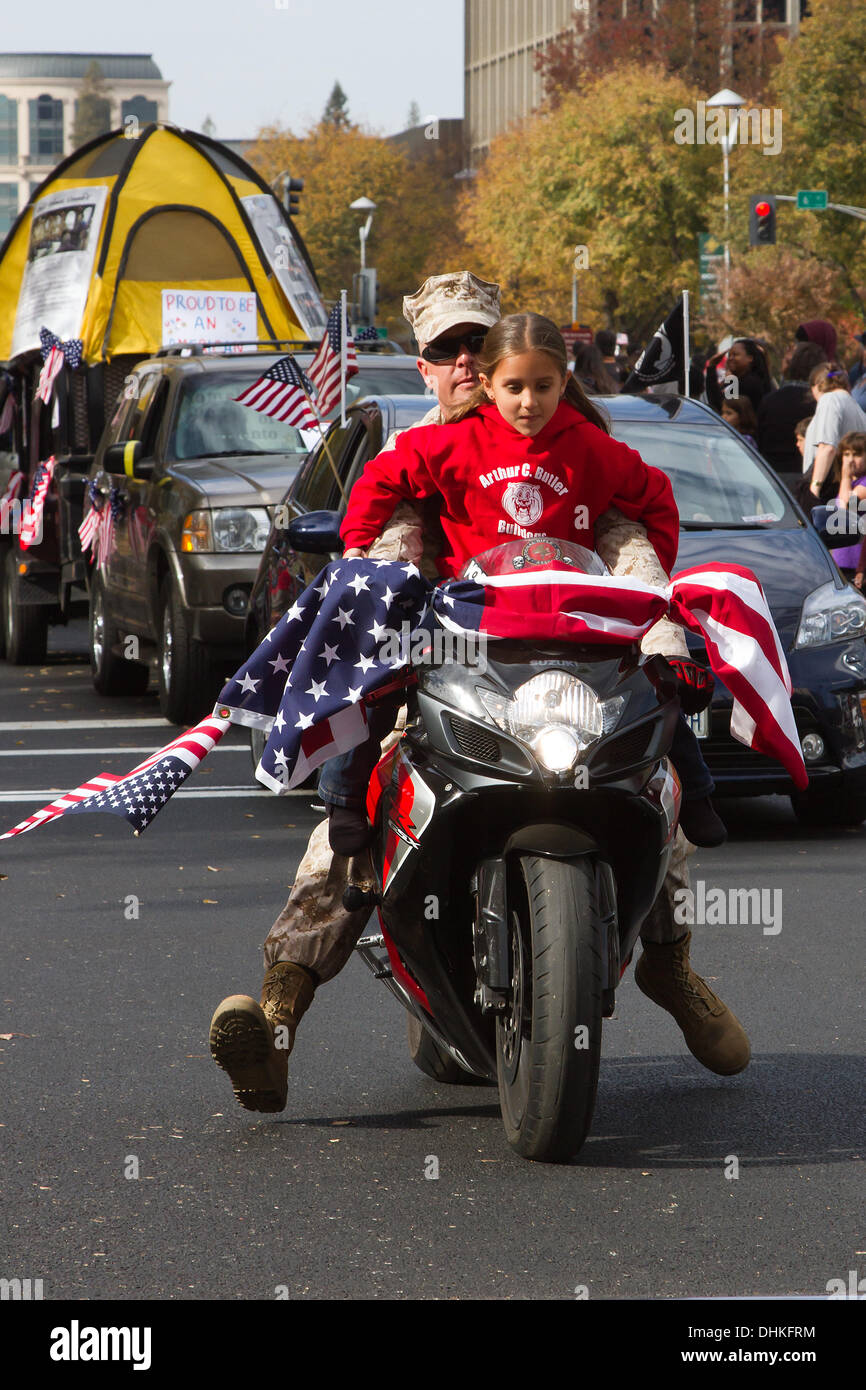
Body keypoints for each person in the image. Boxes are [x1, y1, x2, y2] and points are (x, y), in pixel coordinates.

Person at [208, 296, 748, 1118]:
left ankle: (669, 966)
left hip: (565, 685)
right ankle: (277, 1017)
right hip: (442, 680)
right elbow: (379, 552)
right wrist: (386, 574)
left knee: (657, 787)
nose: (466, 364)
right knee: (347, 834)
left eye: (475, 345)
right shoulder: (422, 450)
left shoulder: (580, 445)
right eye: (448, 350)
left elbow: (632, 527)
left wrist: (648, 595)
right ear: (426, 364)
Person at [756, 341, 825, 481]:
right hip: (807, 473)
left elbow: (760, 436)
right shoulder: (818, 403)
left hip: (771, 474)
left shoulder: (771, 399)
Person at [802, 363, 866, 503]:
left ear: (817, 385)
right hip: (843, 486)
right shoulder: (856, 407)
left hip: (825, 485)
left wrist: (815, 487)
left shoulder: (829, 400)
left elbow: (827, 447)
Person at [823, 432, 866, 578]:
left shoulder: (863, 483)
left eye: (857, 454)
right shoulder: (848, 484)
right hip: (842, 560)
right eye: (846, 454)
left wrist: (846, 476)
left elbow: (844, 509)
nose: (850, 460)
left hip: (857, 562)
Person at [705, 337, 773, 416]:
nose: (730, 358)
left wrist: (711, 368)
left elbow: (720, 407)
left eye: (735, 355)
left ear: (750, 358)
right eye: (729, 355)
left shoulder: (750, 383)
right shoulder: (738, 380)